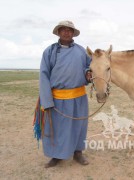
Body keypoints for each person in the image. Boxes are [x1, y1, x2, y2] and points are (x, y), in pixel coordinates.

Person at [39, 20, 92, 168]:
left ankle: (78, 153)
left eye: (70, 30)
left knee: (79, 127)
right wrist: (47, 101)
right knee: (56, 128)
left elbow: (90, 66)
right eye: (64, 30)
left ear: (73, 33)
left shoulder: (82, 51)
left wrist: (88, 73)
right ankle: (56, 156)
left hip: (79, 98)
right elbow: (44, 76)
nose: (67, 32)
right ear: (59, 32)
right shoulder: (49, 52)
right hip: (57, 99)